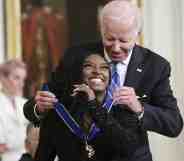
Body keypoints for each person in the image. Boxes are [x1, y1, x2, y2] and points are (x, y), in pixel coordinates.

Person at [24, 0, 183, 161]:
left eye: (123, 41)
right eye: (109, 39)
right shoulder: (75, 57)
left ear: (137, 34)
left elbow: (174, 124)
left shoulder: (155, 66)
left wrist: (139, 108)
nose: (115, 47)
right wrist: (39, 107)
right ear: (101, 30)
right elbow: (33, 107)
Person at [26, 49, 140, 161]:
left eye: (104, 67)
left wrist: (93, 104)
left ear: (110, 76)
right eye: (88, 66)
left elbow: (128, 148)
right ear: (77, 73)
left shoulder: (122, 108)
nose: (97, 71)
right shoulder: (58, 114)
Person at [0, 59, 29, 161]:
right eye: (17, 78)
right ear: (3, 78)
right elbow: (1, 147)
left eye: (23, 79)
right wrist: (27, 137)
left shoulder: (25, 103)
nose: (21, 84)